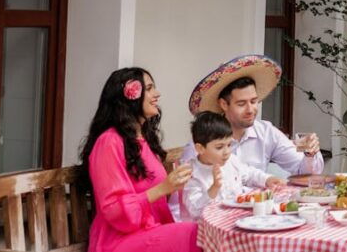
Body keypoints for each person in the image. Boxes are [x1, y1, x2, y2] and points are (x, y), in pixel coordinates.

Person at [78, 67, 199, 252]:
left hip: (149, 232)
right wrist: (163, 188)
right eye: (149, 88)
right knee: (196, 235)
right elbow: (113, 208)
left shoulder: (144, 140)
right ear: (129, 96)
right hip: (119, 241)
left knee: (207, 232)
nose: (157, 94)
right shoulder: (109, 142)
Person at [180, 55, 324, 176]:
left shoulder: (266, 132)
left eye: (254, 101)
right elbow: (181, 198)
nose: (250, 110)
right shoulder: (204, 140)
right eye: (241, 104)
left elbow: (302, 169)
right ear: (223, 104)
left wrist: (309, 154)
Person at [179, 111, 286, 221]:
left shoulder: (230, 161)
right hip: (207, 229)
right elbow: (195, 211)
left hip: (235, 219)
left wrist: (267, 179)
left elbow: (249, 173)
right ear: (200, 148)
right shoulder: (191, 174)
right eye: (219, 147)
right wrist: (214, 188)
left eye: (229, 145)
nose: (226, 152)